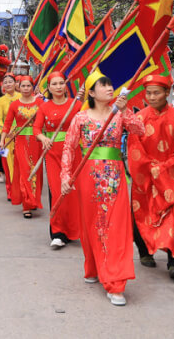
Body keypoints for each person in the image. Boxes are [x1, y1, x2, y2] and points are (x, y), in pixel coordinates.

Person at [60, 74, 145, 306]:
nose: (110, 88)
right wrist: (65, 176)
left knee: (116, 226)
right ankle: (94, 266)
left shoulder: (119, 115)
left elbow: (140, 129)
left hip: (116, 177)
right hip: (88, 177)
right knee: (93, 225)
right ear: (91, 92)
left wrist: (126, 110)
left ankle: (115, 282)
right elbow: (68, 147)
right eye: (104, 85)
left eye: (110, 84)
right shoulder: (80, 118)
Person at [128, 74, 174, 280]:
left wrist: (163, 169)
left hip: (173, 178)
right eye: (148, 93)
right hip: (145, 177)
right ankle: (145, 251)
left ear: (167, 93)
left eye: (156, 92)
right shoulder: (138, 119)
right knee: (140, 216)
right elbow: (134, 148)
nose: (151, 96)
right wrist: (150, 168)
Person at [34, 71, 82, 247]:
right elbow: (36, 129)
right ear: (48, 88)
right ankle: (58, 232)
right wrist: (43, 138)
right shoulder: (44, 107)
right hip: (53, 153)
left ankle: (75, 230)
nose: (59, 87)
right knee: (57, 191)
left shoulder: (76, 105)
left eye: (61, 83)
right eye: (54, 84)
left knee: (74, 192)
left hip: (74, 152)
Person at [1, 75, 43, 218]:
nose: (26, 89)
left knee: (35, 171)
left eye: (28, 86)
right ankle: (26, 204)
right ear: (19, 87)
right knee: (25, 170)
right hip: (20, 142)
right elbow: (7, 125)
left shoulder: (40, 103)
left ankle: (33, 199)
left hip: (37, 142)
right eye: (23, 86)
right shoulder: (14, 105)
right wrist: (2, 141)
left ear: (33, 87)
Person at [0, 73, 19, 196]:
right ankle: (12, 191)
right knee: (7, 163)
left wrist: (16, 130)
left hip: (21, 133)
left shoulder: (22, 96)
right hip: (5, 137)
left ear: (16, 83)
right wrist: (5, 132)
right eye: (5, 82)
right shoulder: (0, 101)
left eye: (10, 81)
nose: (8, 84)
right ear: (2, 86)